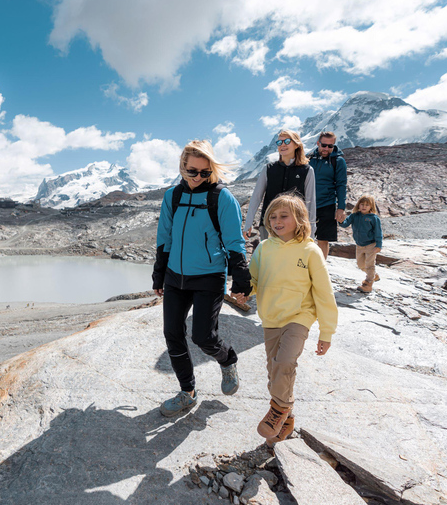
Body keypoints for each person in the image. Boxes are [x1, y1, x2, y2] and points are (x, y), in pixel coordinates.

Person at [152, 140, 252, 417]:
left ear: (212, 171)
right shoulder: (172, 196)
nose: (197, 178)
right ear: (182, 167)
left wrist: (241, 277)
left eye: (204, 173)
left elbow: (234, 240)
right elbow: (164, 237)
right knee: (172, 333)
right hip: (175, 276)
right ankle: (188, 392)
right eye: (192, 171)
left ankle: (228, 359)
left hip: (209, 275)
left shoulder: (221, 197)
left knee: (204, 337)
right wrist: (159, 273)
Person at [245, 194, 337, 446]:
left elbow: (324, 293)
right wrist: (242, 291)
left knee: (285, 362)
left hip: (299, 316)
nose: (277, 221)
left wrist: (326, 332)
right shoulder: (264, 248)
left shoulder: (310, 250)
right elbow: (252, 280)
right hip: (271, 318)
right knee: (275, 372)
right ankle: (287, 417)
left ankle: (278, 409)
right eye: (272, 217)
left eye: (283, 216)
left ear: (299, 219)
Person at [244, 130, 317, 244]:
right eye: (279, 142)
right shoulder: (268, 169)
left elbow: (310, 202)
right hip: (268, 225)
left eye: (287, 141)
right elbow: (256, 197)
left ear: (296, 144)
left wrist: (311, 231)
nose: (282, 144)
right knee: (270, 260)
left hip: (296, 226)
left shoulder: (307, 170)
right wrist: (248, 223)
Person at [308, 131, 348, 259]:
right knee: (303, 237)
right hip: (307, 205)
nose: (326, 149)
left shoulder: (338, 161)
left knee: (323, 239)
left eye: (330, 146)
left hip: (327, 204)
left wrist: (341, 208)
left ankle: (321, 269)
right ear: (318, 143)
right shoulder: (308, 159)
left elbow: (341, 184)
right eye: (324, 145)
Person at [340, 194, 383, 293]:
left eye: (367, 205)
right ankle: (373, 275)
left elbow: (378, 232)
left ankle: (368, 284)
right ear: (358, 205)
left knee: (369, 264)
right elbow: (345, 223)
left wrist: (378, 245)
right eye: (362, 204)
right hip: (359, 245)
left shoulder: (373, 218)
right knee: (360, 264)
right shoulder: (354, 215)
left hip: (371, 245)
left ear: (371, 206)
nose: (364, 206)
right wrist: (341, 221)